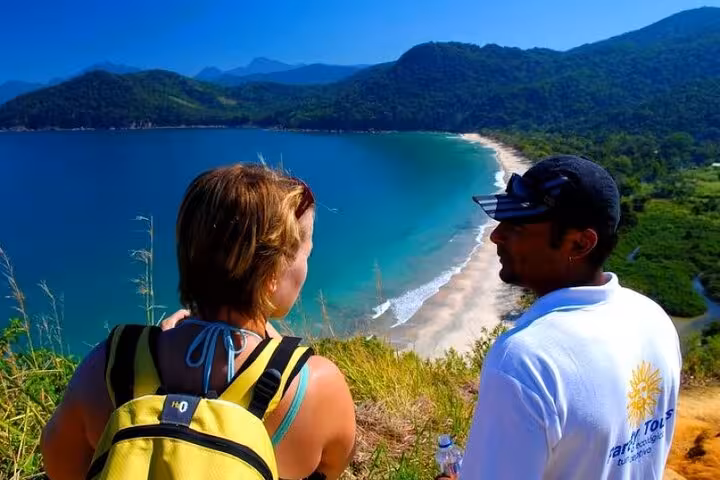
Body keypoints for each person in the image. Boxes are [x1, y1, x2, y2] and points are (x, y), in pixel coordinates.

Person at [40, 163, 357, 480]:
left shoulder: (109, 367)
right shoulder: (314, 387)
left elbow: (59, 461)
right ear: (273, 273)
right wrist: (275, 351)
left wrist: (155, 349)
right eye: (305, 253)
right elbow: (332, 467)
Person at [444, 155, 682, 479]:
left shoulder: (526, 359)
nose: (496, 236)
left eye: (516, 225)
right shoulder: (652, 319)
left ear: (580, 243)